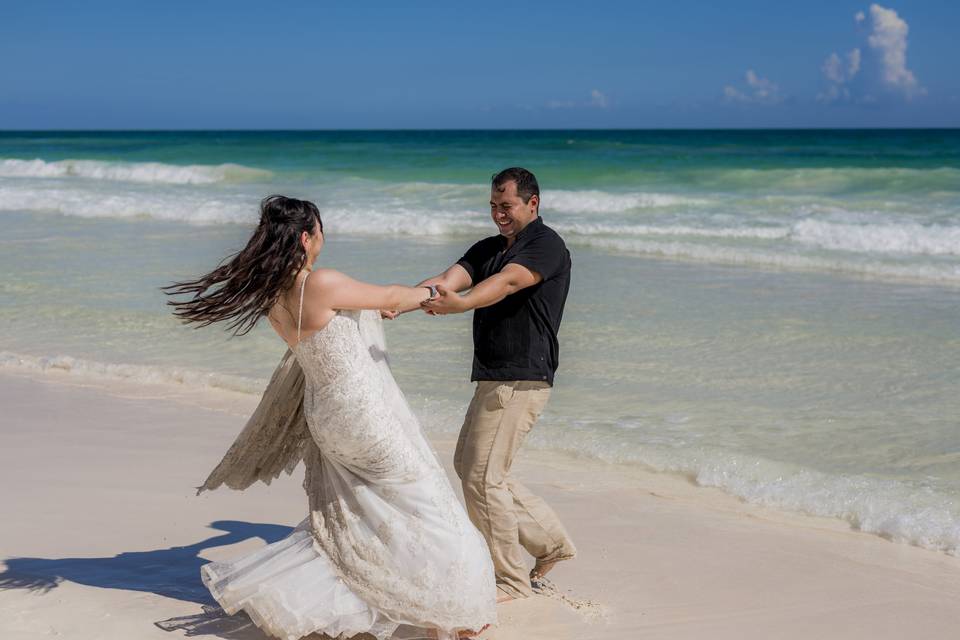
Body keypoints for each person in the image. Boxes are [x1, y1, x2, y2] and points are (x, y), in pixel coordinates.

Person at [165, 195, 495, 640]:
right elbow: (394, 296)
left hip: (325, 416)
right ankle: (448, 606)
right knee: (429, 506)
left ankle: (365, 600)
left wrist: (378, 305)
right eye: (320, 230)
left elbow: (354, 315)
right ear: (305, 237)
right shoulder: (320, 283)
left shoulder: (272, 295)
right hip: (362, 416)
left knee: (361, 512)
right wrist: (439, 295)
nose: (324, 238)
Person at [413, 167, 577, 602]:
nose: (498, 215)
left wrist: (462, 304)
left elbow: (506, 283)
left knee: (484, 477)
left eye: (506, 206)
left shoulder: (546, 246)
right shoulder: (488, 247)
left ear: (532, 203)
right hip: (494, 375)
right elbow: (447, 280)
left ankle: (510, 580)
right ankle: (551, 544)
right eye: (492, 206)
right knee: (474, 468)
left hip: (522, 376)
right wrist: (395, 302)